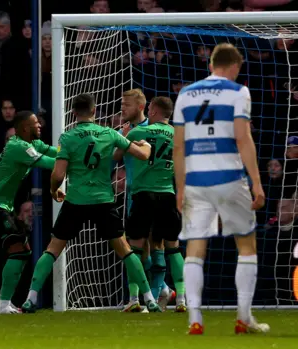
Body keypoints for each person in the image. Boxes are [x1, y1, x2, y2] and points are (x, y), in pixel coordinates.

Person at [20, 93, 161, 313]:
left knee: (52, 250)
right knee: (125, 250)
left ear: (74, 112)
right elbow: (141, 155)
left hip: (76, 201)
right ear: (94, 111)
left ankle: (31, 299)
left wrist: (53, 189)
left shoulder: (67, 138)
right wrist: (147, 147)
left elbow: (58, 174)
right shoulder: (109, 134)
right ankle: (150, 299)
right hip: (103, 201)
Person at [172, 43, 268, 335]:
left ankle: (195, 319)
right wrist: (257, 182)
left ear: (210, 64)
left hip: (195, 180)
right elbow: (242, 137)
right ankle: (243, 317)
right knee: (246, 243)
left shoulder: (186, 93)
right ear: (235, 66)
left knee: (195, 247)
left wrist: (180, 188)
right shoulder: (238, 91)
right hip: (228, 178)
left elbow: (178, 146)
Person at [0, 111, 57, 314]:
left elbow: (56, 153)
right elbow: (49, 164)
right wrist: (81, 165)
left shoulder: (31, 144)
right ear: (24, 128)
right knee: (19, 250)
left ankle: (1, 300)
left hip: (3, 206)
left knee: (23, 251)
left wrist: (75, 152)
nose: (39, 126)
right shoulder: (18, 147)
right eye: (35, 123)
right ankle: (3, 304)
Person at [115, 96, 186, 313]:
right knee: (172, 249)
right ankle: (182, 300)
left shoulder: (137, 133)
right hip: (167, 194)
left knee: (134, 248)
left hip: (143, 195)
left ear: (152, 111)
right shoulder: (178, 135)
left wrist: (123, 137)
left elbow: (116, 156)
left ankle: (135, 298)